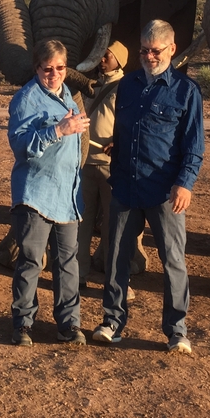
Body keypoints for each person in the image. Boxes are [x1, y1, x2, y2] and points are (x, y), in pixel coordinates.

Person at [93, 20, 204, 353]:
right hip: (125, 187)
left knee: (173, 262)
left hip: (165, 192)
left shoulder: (187, 91)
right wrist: (117, 151)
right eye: (144, 50)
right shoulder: (127, 85)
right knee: (116, 258)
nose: (149, 56)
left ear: (172, 49)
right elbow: (124, 131)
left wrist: (185, 184)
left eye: (155, 51)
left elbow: (194, 146)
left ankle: (176, 331)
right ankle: (112, 322)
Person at [8, 39, 90, 347]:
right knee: (31, 261)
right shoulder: (25, 100)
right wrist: (58, 131)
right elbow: (20, 147)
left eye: (60, 68)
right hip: (36, 194)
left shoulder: (68, 96)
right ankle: (22, 324)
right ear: (36, 68)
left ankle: (69, 324)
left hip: (67, 195)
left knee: (68, 262)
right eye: (47, 69)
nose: (54, 74)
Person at [77, 40, 127, 287]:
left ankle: (114, 281)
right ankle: (77, 276)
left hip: (110, 167)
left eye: (108, 55)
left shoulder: (126, 88)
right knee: (81, 223)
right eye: (101, 55)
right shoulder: (90, 85)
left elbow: (132, 125)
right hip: (85, 162)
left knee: (112, 226)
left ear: (120, 60)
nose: (102, 59)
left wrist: (120, 142)